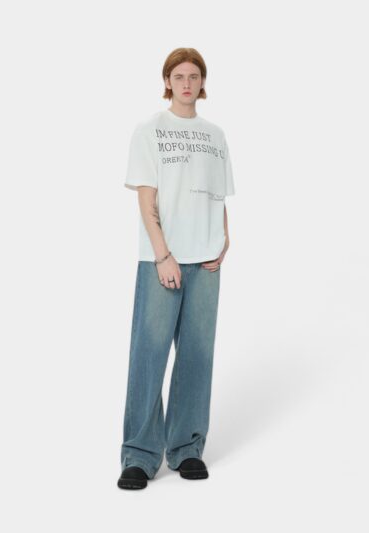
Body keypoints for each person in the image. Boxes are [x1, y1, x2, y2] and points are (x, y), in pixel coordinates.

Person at [117, 47, 235, 490]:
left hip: (206, 261)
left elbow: (219, 195)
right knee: (149, 353)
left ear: (203, 83)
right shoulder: (150, 130)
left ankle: (187, 448)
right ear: (167, 82)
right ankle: (140, 454)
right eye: (179, 76)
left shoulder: (215, 135)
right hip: (162, 257)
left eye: (194, 76)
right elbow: (146, 198)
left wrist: (225, 239)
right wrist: (163, 254)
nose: (187, 83)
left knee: (197, 356)